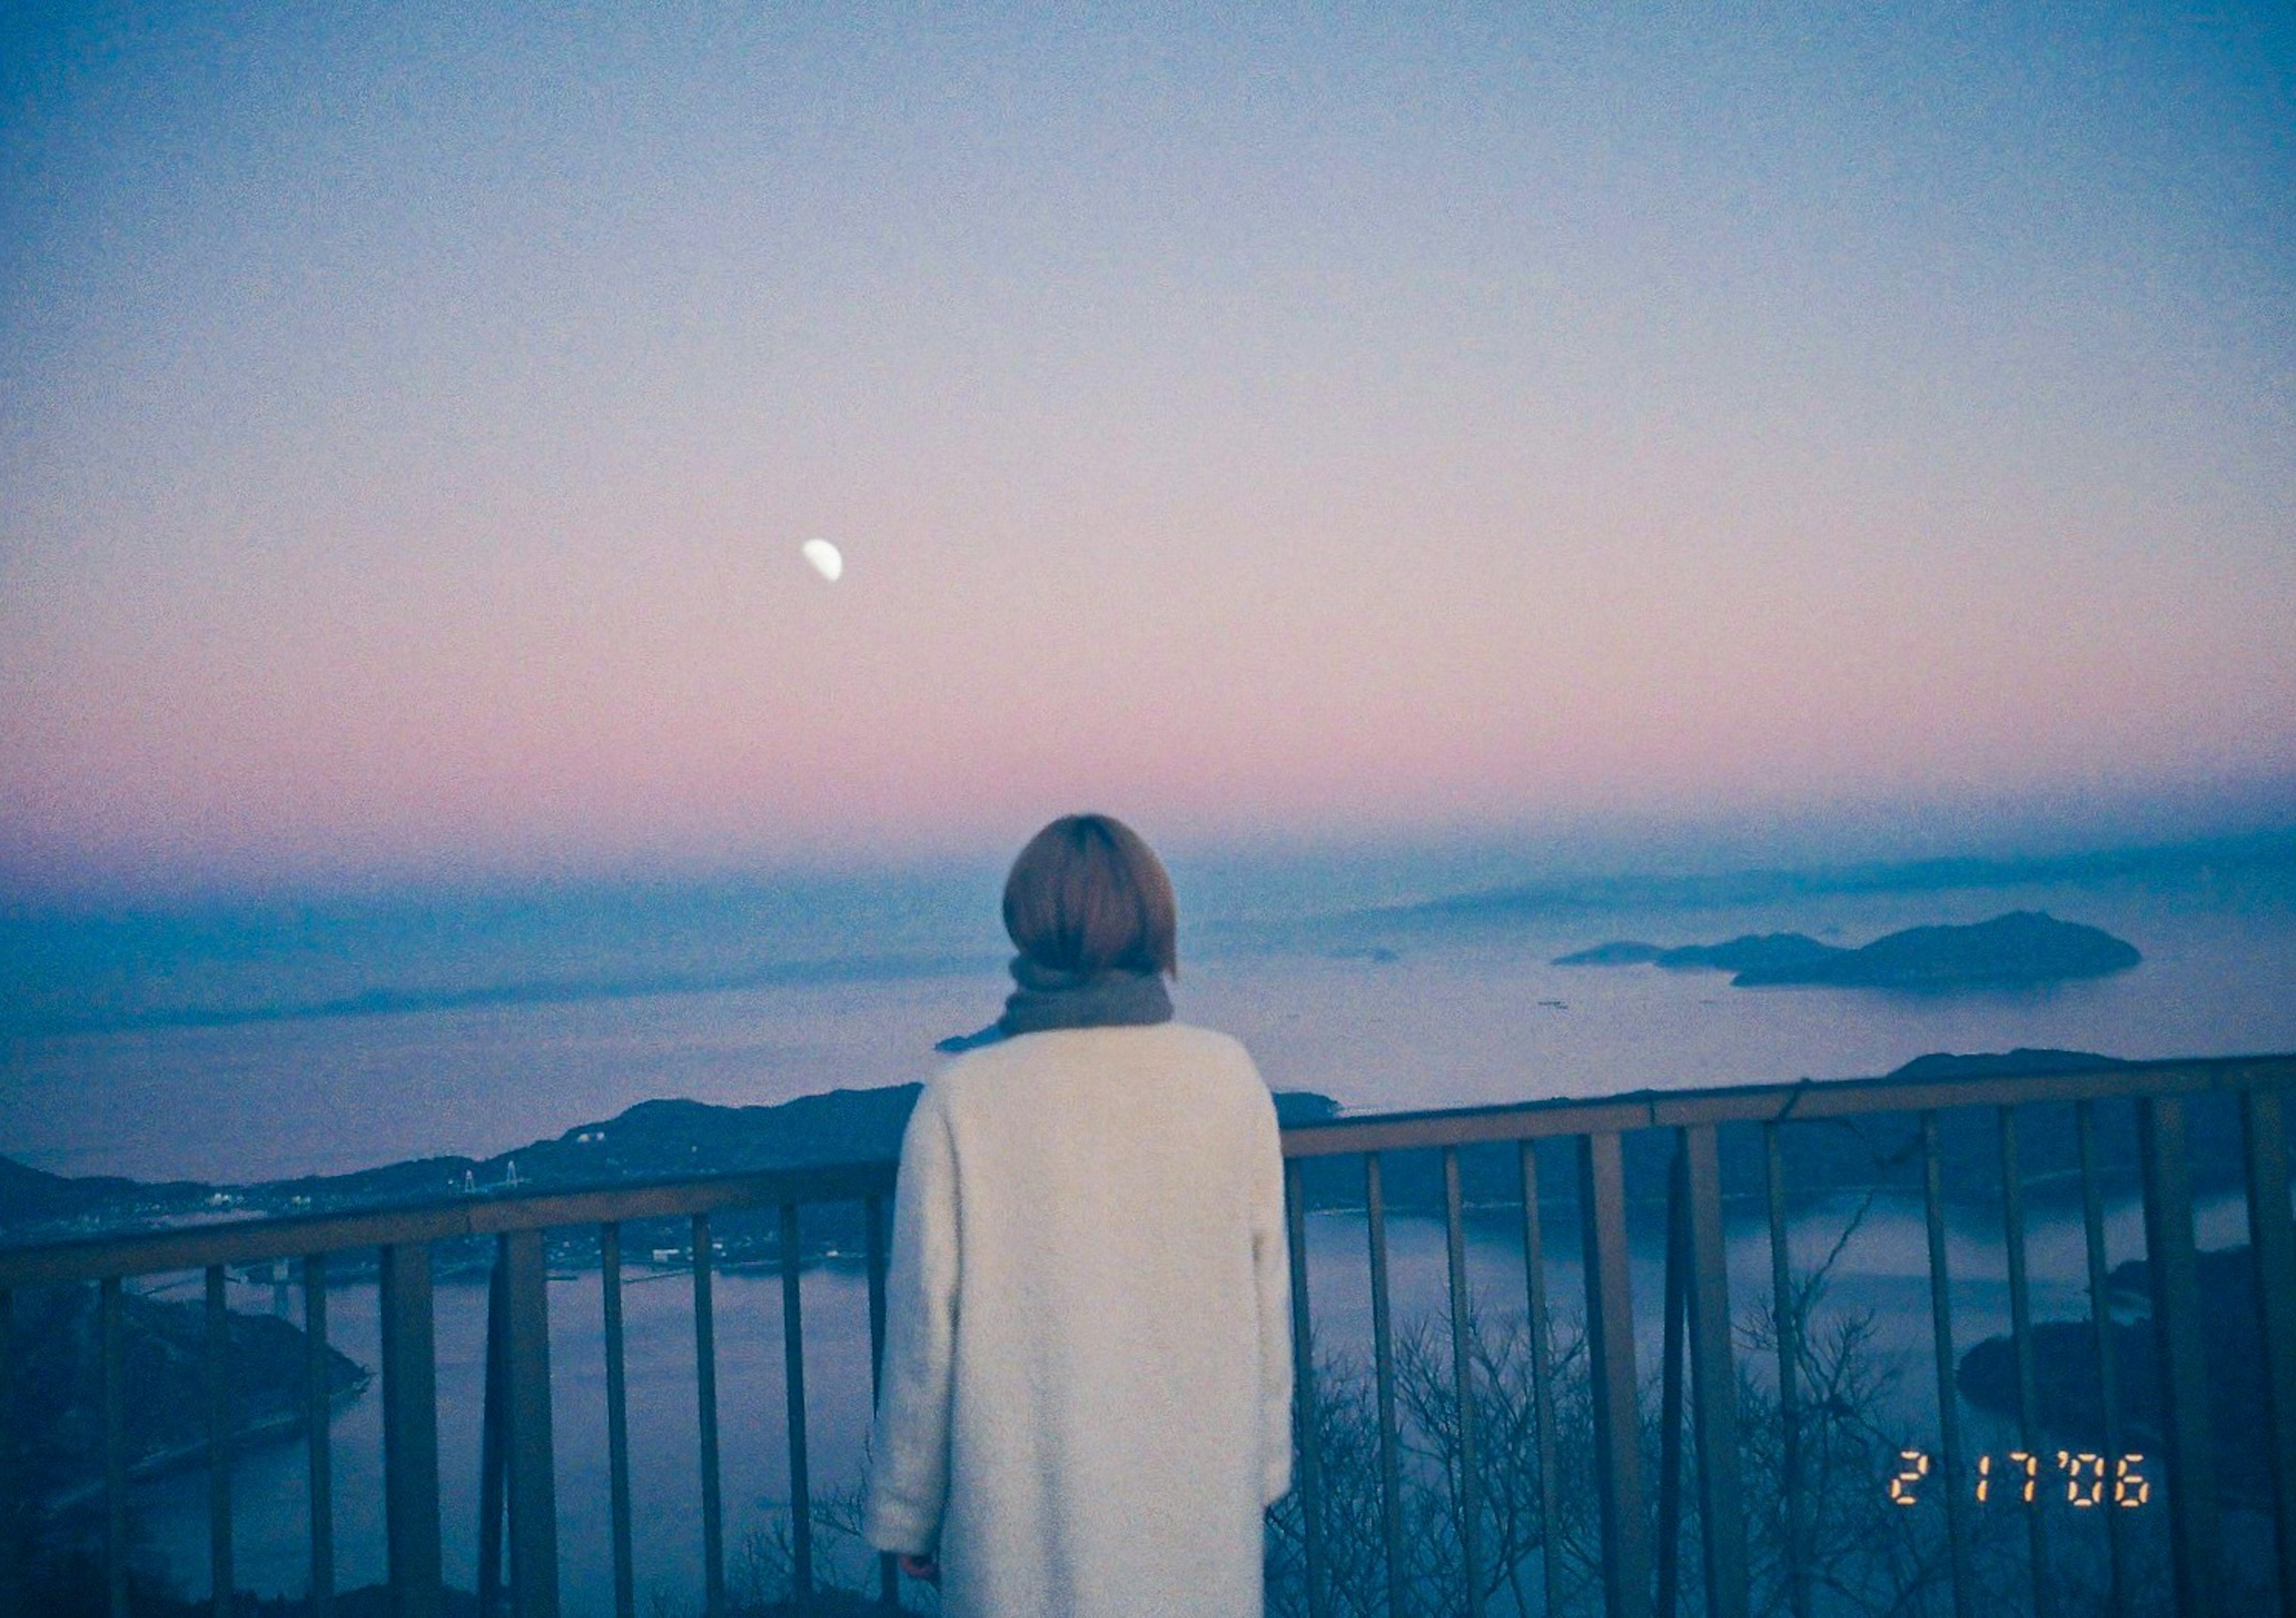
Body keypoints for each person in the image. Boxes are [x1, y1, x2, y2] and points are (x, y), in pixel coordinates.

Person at [863, 813, 1294, 1616]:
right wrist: (1262, 1471)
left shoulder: (964, 1098)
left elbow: (927, 1325)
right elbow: (1265, 1294)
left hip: (1025, 1518)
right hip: (1196, 1501)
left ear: (1025, 922)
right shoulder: (1227, 1077)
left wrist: (909, 1511)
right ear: (1154, 920)